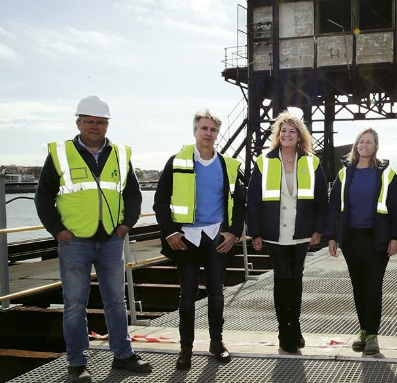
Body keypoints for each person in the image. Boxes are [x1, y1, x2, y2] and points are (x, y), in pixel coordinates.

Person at [35, 95, 152, 383]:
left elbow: (133, 194)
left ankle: (123, 355)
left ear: (107, 125)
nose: (94, 127)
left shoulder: (121, 154)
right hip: (74, 242)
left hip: (112, 241)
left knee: (115, 299)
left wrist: (127, 224)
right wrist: (58, 230)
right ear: (79, 123)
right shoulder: (61, 154)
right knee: (75, 303)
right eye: (89, 121)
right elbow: (43, 197)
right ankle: (77, 363)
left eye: (100, 122)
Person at [153, 109, 245, 370]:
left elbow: (239, 203)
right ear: (195, 131)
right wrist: (170, 232)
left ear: (217, 134)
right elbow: (160, 202)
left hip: (217, 237)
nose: (208, 133)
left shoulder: (228, 165)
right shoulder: (177, 161)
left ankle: (217, 343)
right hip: (187, 239)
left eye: (213, 130)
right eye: (204, 129)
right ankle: (186, 349)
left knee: (217, 294)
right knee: (187, 296)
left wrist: (233, 232)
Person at [247, 111, 328, 354]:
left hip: (301, 231)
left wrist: (318, 229)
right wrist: (255, 232)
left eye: (292, 131)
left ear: (299, 135)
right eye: (283, 131)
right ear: (278, 135)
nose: (287, 134)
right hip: (274, 232)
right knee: (282, 278)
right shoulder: (264, 161)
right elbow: (253, 200)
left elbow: (321, 200)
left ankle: (296, 327)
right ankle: (285, 331)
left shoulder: (312, 162)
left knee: (296, 279)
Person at [325, 128, 397, 356]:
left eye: (369, 142)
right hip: (351, 238)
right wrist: (332, 236)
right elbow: (334, 208)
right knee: (358, 286)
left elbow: (396, 207)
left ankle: (372, 335)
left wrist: (395, 236)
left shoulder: (387, 173)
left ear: (375, 145)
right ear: (356, 145)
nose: (364, 145)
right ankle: (363, 329)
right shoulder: (344, 173)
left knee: (372, 287)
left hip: (376, 238)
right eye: (361, 141)